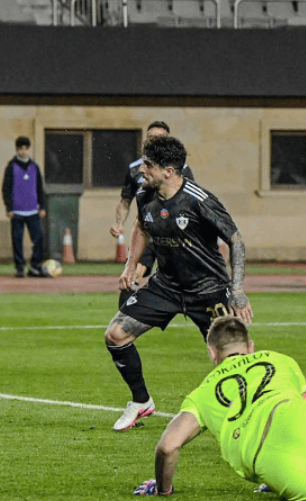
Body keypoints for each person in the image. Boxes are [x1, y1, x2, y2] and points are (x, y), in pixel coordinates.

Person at [105, 134, 253, 432]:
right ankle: (141, 401)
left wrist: (236, 290)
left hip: (209, 289)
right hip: (166, 287)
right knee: (116, 335)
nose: (141, 170)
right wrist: (131, 266)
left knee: (234, 358)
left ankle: (250, 415)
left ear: (168, 171)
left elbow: (236, 241)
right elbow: (141, 228)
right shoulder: (145, 195)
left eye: (148, 165)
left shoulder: (200, 200)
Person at [133, 316, 306, 499]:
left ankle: (280, 478)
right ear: (251, 346)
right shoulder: (281, 359)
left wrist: (162, 489)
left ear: (212, 352)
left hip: (274, 458)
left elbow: (167, 447)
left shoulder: (203, 392)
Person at [112, 122, 195, 307]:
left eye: (160, 138)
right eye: (151, 138)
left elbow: (190, 201)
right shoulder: (136, 169)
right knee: (134, 272)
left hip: (175, 232)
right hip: (148, 229)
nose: (154, 142)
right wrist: (119, 223)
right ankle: (127, 316)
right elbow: (125, 201)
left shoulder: (181, 168)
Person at [2, 136, 48, 278]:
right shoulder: (11, 167)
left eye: (26, 149)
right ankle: (20, 267)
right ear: (17, 150)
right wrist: (9, 207)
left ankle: (35, 267)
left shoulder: (34, 167)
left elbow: (40, 188)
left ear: (29, 149)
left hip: (33, 210)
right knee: (17, 240)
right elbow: (6, 188)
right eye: (21, 149)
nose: (23, 151)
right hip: (17, 211)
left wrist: (42, 206)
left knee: (38, 239)